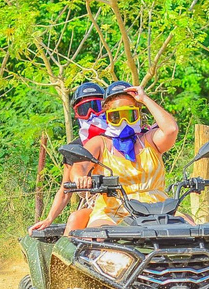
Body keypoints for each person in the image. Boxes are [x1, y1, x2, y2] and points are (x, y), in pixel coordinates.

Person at [70, 81, 178, 228]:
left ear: (138, 113)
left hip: (159, 209)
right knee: (100, 237)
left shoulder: (149, 140)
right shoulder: (100, 143)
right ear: (107, 117)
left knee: (192, 231)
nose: (124, 122)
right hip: (113, 210)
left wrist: (144, 99)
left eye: (129, 114)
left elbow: (171, 129)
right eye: (116, 116)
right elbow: (79, 165)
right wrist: (80, 179)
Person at [29, 82, 107, 234]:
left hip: (127, 202)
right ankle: (63, 256)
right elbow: (65, 189)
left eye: (96, 106)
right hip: (95, 205)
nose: (91, 114)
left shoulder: (118, 140)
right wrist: (49, 218)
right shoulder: (74, 148)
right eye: (85, 109)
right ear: (76, 113)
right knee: (75, 219)